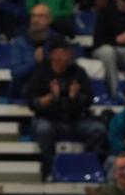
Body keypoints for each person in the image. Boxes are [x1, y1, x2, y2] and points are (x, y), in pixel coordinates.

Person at [24, 40, 105, 173]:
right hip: (49, 120)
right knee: (43, 129)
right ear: (53, 55)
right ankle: (50, 169)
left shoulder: (78, 72)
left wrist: (75, 97)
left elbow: (88, 99)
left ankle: (85, 166)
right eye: (65, 53)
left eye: (69, 53)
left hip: (75, 120)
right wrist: (51, 97)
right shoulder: (40, 73)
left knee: (98, 129)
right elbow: (32, 103)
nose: (69, 56)